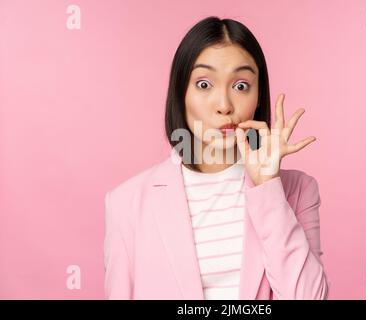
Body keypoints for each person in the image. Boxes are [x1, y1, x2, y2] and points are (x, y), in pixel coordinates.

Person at [104, 16, 329, 300]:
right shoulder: (125, 203)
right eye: (204, 84)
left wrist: (267, 188)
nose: (224, 105)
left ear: (259, 96)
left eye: (241, 86)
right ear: (180, 93)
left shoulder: (298, 191)